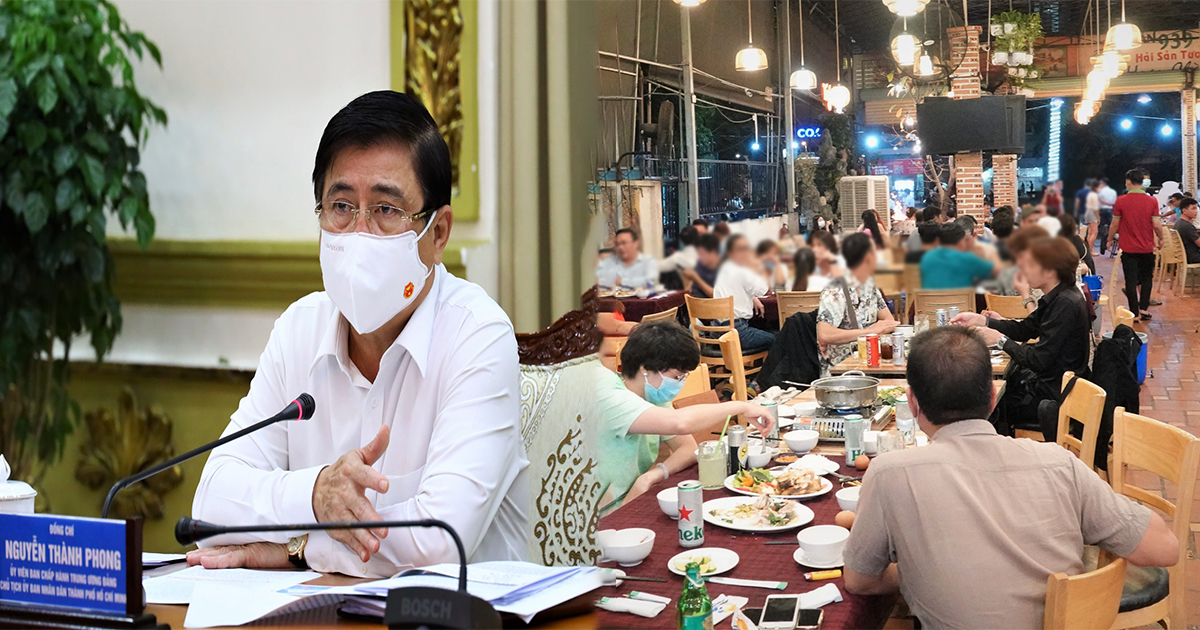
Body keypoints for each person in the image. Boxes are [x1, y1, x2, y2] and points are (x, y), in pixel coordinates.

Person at [189, 91, 528, 576]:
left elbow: (439, 541)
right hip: (318, 608)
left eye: (386, 210)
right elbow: (212, 502)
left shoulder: (478, 336)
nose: (358, 232)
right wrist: (316, 493)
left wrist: (297, 548)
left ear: (438, 233)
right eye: (341, 206)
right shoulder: (298, 329)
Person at [843, 326, 1179, 630]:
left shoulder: (888, 473)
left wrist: (921, 570)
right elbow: (1165, 548)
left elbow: (860, 581)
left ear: (912, 403)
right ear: (992, 397)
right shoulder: (1059, 464)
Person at [598, 321, 776, 509]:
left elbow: (688, 448)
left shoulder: (654, 396)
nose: (679, 384)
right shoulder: (612, 399)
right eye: (676, 377)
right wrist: (739, 407)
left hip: (631, 498)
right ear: (645, 369)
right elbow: (680, 423)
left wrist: (654, 475)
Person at [953, 237, 1091, 437]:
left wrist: (1000, 340)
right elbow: (1026, 329)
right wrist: (982, 321)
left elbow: (1039, 360)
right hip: (1052, 384)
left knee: (991, 403)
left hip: (1056, 396)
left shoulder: (1065, 304)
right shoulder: (1058, 296)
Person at [816, 234, 898, 376]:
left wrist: (878, 330)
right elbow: (824, 334)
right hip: (842, 369)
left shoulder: (869, 285)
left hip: (870, 362)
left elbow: (889, 321)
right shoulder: (835, 290)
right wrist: (870, 332)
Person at [1107, 168, 1166, 321]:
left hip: (1128, 248)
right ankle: (1144, 309)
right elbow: (1156, 224)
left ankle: (1134, 313)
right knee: (1146, 279)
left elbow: (1114, 224)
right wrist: (1161, 238)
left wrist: (1109, 239)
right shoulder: (1152, 201)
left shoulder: (1121, 200)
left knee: (1131, 281)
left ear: (1128, 181)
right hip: (1146, 248)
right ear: (1142, 182)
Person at [713, 234, 777, 354]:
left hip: (716, 332)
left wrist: (753, 298)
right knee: (778, 338)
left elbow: (737, 290)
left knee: (765, 330)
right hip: (737, 333)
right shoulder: (743, 270)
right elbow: (767, 290)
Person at [919, 222, 995, 289]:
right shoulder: (967, 259)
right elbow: (995, 271)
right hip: (962, 300)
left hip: (930, 300)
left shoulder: (927, 257)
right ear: (961, 241)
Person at [682, 233, 722, 298]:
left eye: (702, 253)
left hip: (710, 303)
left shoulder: (723, 270)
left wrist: (695, 277)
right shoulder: (700, 265)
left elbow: (715, 295)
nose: (699, 257)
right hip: (694, 301)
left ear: (713, 252)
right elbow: (689, 289)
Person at [1175, 197, 1200, 264]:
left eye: (1196, 208)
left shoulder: (1178, 223)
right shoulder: (1187, 226)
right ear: (1184, 211)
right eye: (1193, 208)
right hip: (1193, 257)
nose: (1196, 211)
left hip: (1183, 256)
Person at [1097, 177, 1117, 255]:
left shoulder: (1100, 191)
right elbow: (1114, 201)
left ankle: (1102, 246)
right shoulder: (1113, 191)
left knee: (1102, 227)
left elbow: (1098, 201)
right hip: (1110, 210)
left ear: (1103, 183)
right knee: (1109, 228)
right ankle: (1107, 242)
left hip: (1102, 210)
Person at [1083, 179, 1101, 252]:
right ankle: (1090, 250)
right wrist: (1098, 217)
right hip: (1093, 213)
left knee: (1090, 233)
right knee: (1094, 232)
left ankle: (1087, 249)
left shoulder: (1090, 194)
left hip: (1088, 212)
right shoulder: (1095, 195)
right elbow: (1096, 208)